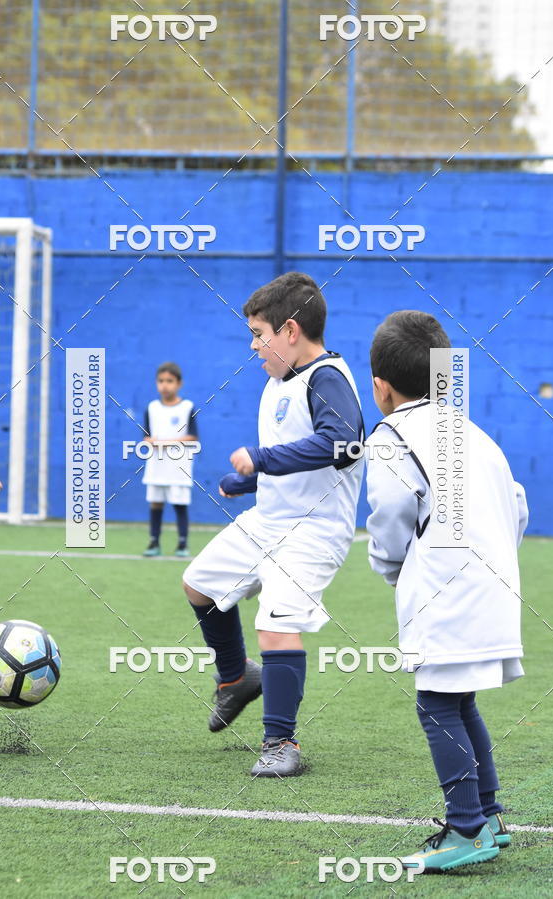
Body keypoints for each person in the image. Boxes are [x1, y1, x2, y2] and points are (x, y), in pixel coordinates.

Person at [363, 309, 528, 871]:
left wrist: (392, 568)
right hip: (495, 587)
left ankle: (467, 830)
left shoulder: (391, 436)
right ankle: (490, 814)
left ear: (380, 386)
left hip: (445, 590)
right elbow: (519, 505)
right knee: (458, 699)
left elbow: (388, 517)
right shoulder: (473, 431)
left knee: (436, 704)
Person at [182, 271, 364, 777]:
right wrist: (250, 482)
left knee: (275, 624)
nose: (253, 345)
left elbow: (344, 444)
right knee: (199, 585)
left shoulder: (327, 378)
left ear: (289, 330)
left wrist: (262, 460)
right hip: (270, 519)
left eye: (259, 333)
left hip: (315, 531)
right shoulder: (277, 382)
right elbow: (296, 466)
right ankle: (236, 677)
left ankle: (281, 742)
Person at [142, 362, 199, 558]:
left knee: (179, 504)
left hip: (179, 467)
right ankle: (154, 542)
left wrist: (166, 442)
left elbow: (192, 437)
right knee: (155, 503)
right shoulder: (152, 407)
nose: (164, 385)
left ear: (179, 383)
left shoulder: (187, 407)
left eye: (169, 381)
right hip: (156, 465)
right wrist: (151, 441)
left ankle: (182, 544)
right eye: (160, 381)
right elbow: (146, 437)